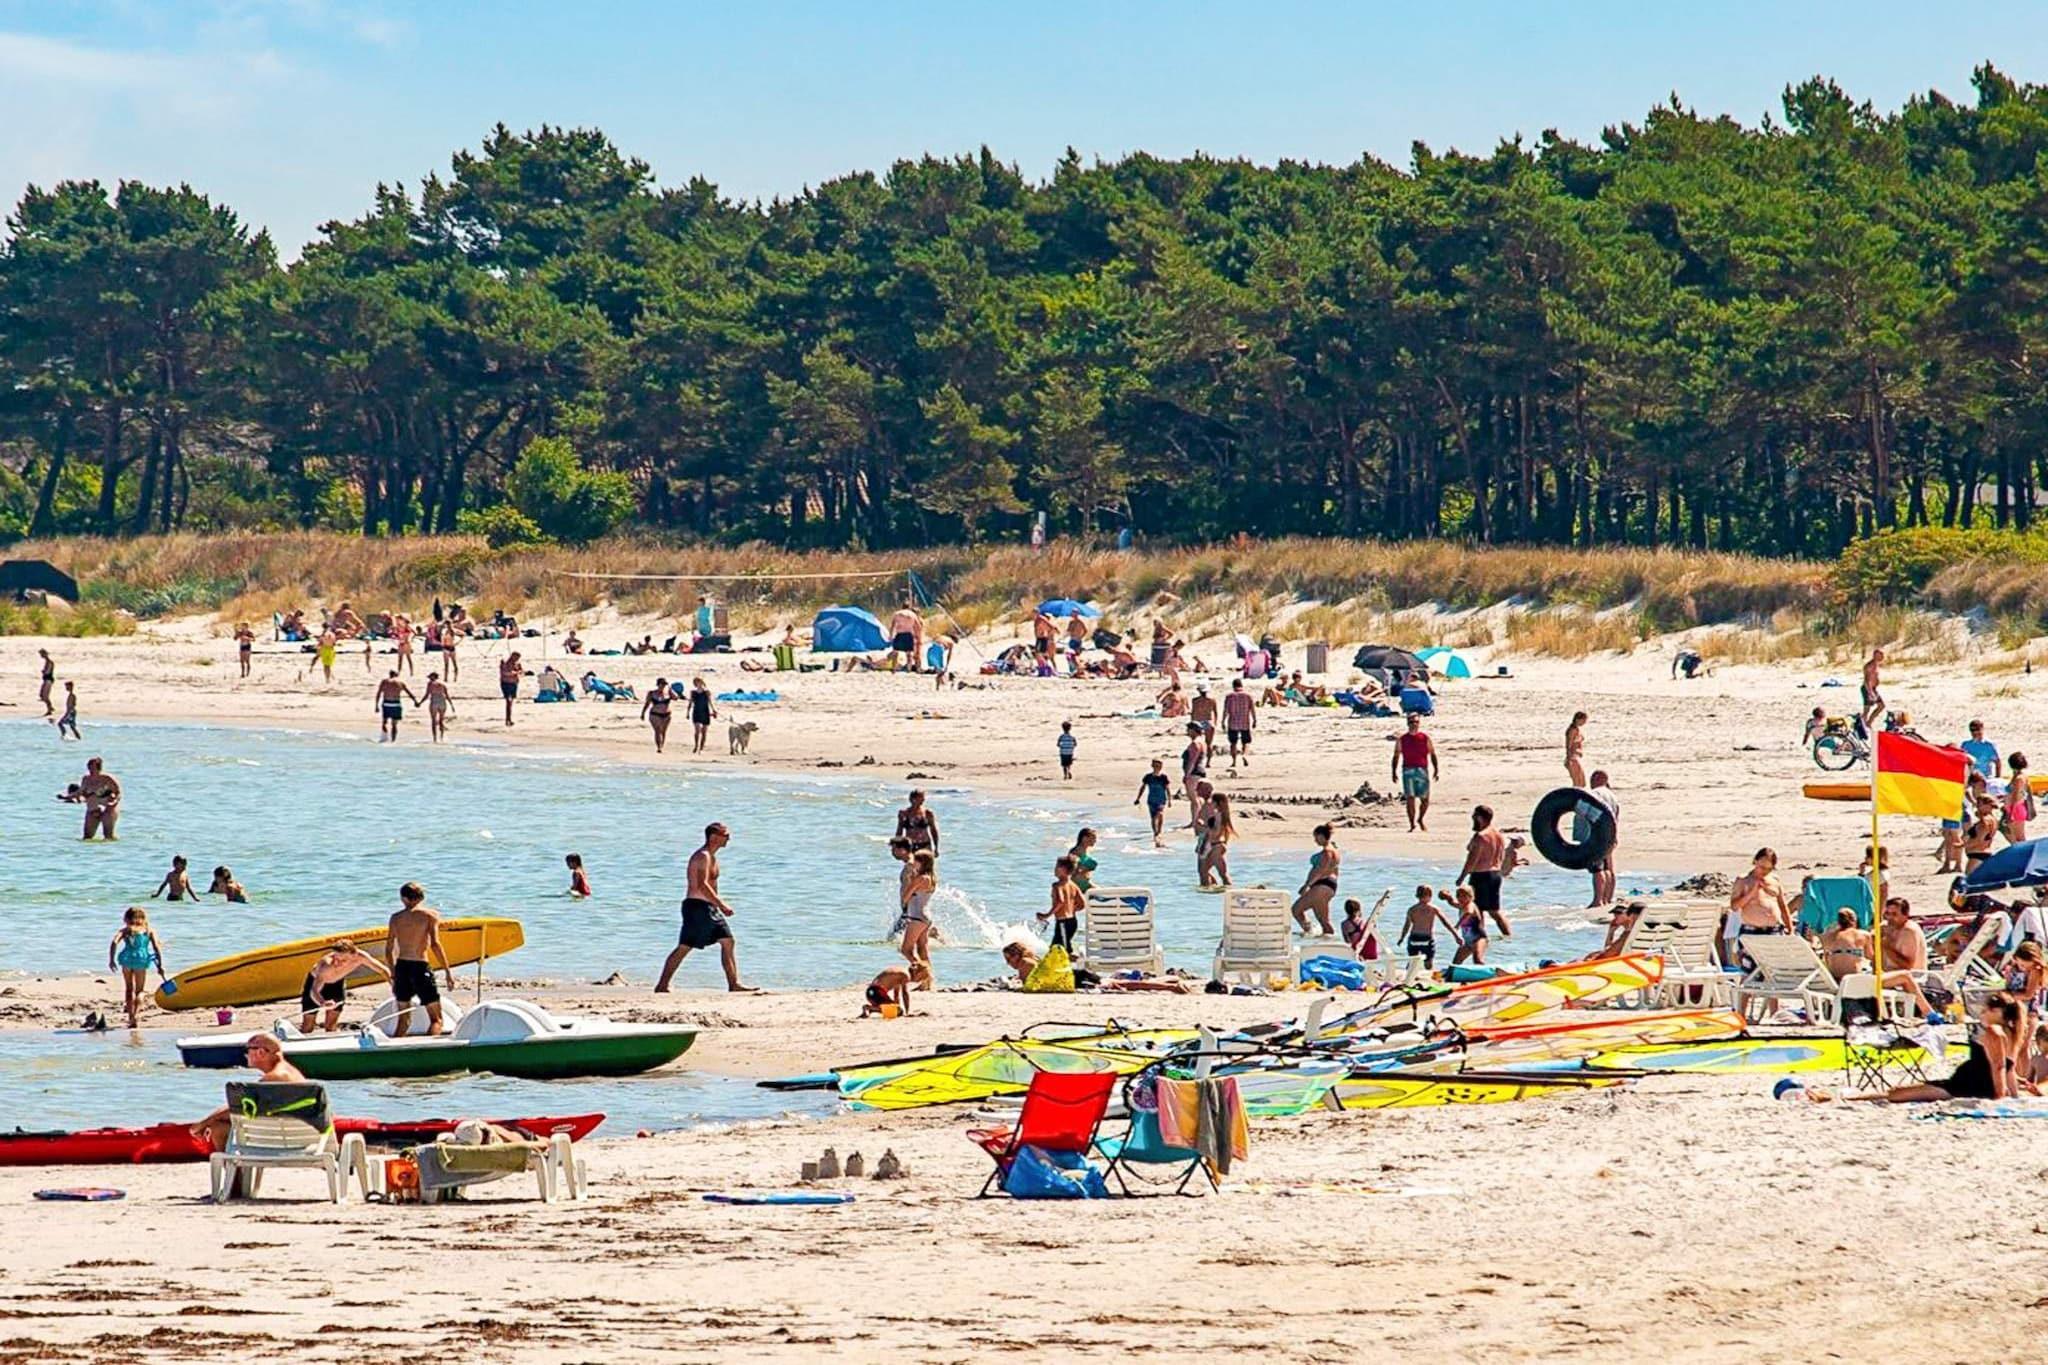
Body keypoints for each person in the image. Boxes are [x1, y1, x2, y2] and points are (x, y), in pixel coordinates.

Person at [1850, 992, 2021, 1103]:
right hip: (1972, 1084)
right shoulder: (2013, 1032)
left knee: (1895, 1094)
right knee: (1900, 1092)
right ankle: (1852, 1097)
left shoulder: (1994, 1031)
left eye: (1986, 1010)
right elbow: (2009, 1067)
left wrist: (2000, 1097)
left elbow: (1999, 1066)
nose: (1983, 1013)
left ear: (1997, 1011)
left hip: (1968, 1085)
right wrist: (2014, 1095)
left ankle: (1851, 1097)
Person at [655, 823, 758, 993]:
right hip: (698, 907)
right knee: (685, 946)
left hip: (709, 907)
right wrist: (722, 904)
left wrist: (716, 905)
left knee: (728, 941)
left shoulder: (712, 857)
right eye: (725, 835)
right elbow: (702, 885)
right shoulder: (702, 856)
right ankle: (662, 985)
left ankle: (734, 984)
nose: (729, 838)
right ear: (713, 837)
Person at [191, 1034, 306, 1150]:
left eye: (247, 1049)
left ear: (260, 1052)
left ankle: (234, 1166)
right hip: (299, 1136)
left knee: (218, 1128)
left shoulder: (275, 1077)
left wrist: (202, 1124)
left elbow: (238, 1108)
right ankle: (236, 1167)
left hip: (285, 1141)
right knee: (221, 1124)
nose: (245, 1055)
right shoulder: (289, 1071)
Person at [384, 881, 457, 1037]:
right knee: (436, 1019)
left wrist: (392, 973)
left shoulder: (395, 918)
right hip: (420, 967)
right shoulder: (430, 916)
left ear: (403, 898)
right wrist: (448, 972)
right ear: (421, 897)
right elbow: (435, 945)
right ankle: (431, 1052)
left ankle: (395, 1051)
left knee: (403, 1020)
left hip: (402, 968)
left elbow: (389, 949)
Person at [298, 939, 388, 1033]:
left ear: (353, 955)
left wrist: (395, 988)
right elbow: (314, 990)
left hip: (336, 985)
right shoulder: (326, 965)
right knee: (308, 1026)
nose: (337, 963)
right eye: (335, 958)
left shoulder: (360, 957)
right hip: (315, 985)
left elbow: (383, 970)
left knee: (331, 1026)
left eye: (343, 960)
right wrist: (322, 1002)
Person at [1455, 805, 1513, 942]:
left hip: (1480, 876)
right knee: (1495, 911)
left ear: (1480, 818)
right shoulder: (1498, 835)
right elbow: (1501, 856)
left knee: (1477, 911)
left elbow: (1472, 859)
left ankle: (1480, 940)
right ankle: (1508, 937)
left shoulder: (1480, 837)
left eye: (1474, 816)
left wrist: (1462, 877)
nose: (1472, 819)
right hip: (1495, 875)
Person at [1874, 896, 1935, 1018]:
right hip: (1889, 973)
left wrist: (1886, 946)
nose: (1890, 918)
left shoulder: (1909, 931)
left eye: (1894, 914)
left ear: (1905, 915)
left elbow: (1907, 965)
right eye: (1887, 914)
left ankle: (1928, 1013)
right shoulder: (1887, 928)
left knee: (1903, 976)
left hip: (1912, 976)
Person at [108, 907, 165, 1029]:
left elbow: (114, 942)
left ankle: (130, 1016)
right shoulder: (148, 931)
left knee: (129, 989)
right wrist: (160, 965)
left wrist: (111, 960)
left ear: (127, 918)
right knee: (140, 991)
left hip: (127, 959)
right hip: (141, 960)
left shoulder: (125, 930)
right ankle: (136, 1015)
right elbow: (157, 947)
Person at [1730, 848, 1794, 937]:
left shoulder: (1775, 880)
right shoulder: (1743, 880)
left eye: (1769, 869)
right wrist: (1751, 893)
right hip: (1752, 930)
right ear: (1755, 862)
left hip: (1774, 929)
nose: (1765, 871)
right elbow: (1734, 906)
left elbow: (1783, 906)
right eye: (1762, 867)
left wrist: (1790, 928)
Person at [1292, 823, 1340, 935]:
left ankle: (1310, 933)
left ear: (1322, 836)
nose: (1315, 840)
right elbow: (1334, 871)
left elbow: (1321, 869)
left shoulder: (1327, 851)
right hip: (1328, 886)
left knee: (1296, 910)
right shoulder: (1334, 850)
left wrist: (1307, 885)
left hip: (1322, 885)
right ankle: (1328, 943)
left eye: (1316, 837)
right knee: (1324, 922)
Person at [1393, 713, 1438, 833]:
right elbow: (1396, 755)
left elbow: (1432, 753)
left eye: (1416, 722)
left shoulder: (1425, 738)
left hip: (1422, 770)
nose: (1414, 724)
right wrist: (1394, 772)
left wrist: (1436, 770)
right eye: (1412, 722)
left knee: (1425, 799)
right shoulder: (1402, 739)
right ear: (1408, 723)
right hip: (1408, 770)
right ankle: (1412, 823)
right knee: (1410, 798)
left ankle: (1420, 819)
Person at [1584, 771, 1619, 908]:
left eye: (1592, 778)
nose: (1590, 781)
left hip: (1598, 835)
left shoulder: (1596, 794)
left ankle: (1598, 900)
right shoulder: (1612, 796)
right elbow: (1616, 816)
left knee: (1598, 867)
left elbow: (1590, 813)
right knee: (1608, 866)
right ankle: (1607, 898)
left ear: (1599, 779)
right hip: (1610, 833)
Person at [1399, 885, 1457, 967]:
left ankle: (1408, 976)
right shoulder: (1433, 908)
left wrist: (1402, 938)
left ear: (1417, 896)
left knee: (1412, 961)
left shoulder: (1412, 909)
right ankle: (1428, 975)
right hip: (1426, 938)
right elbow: (1445, 922)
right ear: (1430, 896)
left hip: (1414, 938)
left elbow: (1407, 926)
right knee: (1428, 962)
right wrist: (1456, 935)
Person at [1038, 854, 1085, 954]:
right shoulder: (1073, 885)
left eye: (1056, 867)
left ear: (1063, 869)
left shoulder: (1057, 886)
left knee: (1063, 951)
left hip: (1063, 923)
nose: (1054, 869)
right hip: (1072, 921)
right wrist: (1071, 910)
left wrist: (1047, 915)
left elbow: (1060, 901)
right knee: (1056, 949)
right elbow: (1082, 904)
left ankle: (1081, 964)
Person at [900, 848, 936, 978]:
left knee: (905, 950)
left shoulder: (920, 878)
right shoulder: (931, 878)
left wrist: (909, 878)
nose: (912, 862)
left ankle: (925, 975)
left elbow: (905, 897)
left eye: (915, 860)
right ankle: (927, 980)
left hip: (916, 918)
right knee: (922, 949)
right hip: (925, 917)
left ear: (922, 863)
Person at [1819, 908, 1872, 981]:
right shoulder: (1863, 935)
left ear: (1838, 921)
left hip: (1834, 978)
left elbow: (1827, 959)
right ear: (1854, 920)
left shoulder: (1827, 937)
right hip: (1853, 978)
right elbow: (1870, 956)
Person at [1198, 793, 1236, 888]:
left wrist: (1203, 827)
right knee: (1218, 873)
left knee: (1205, 873)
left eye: (1212, 801)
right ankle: (1219, 888)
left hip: (1214, 845)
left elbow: (1215, 832)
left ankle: (1209, 891)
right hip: (1217, 845)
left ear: (1216, 802)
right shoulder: (1223, 814)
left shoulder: (1218, 815)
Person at [374, 670, 421, 742]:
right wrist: (415, 701)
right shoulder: (400, 683)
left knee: (384, 722)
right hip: (396, 704)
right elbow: (409, 693)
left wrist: (376, 705)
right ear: (397, 675)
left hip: (387, 703)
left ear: (389, 674)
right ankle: (393, 741)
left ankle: (384, 739)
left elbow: (379, 693)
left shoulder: (384, 681)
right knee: (394, 724)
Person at [1135, 759, 1173, 847]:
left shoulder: (1163, 777)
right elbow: (1142, 788)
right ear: (1152, 766)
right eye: (1155, 765)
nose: (1157, 767)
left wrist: (1170, 800)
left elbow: (1167, 789)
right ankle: (1155, 832)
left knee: (1160, 813)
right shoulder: (1148, 777)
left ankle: (1159, 831)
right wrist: (1138, 798)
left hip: (1161, 799)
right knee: (1153, 817)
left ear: (1161, 767)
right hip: (1151, 800)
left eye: (1158, 766)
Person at [79, 757, 119, 840]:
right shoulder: (86, 779)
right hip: (93, 808)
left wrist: (113, 802)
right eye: (89, 767)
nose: (90, 769)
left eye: (92, 767)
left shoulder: (107, 778)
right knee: (87, 837)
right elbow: (81, 792)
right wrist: (67, 797)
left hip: (108, 808)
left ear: (98, 767)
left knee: (108, 837)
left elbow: (118, 793)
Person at [1222, 678, 1257, 770]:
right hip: (1245, 722)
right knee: (1246, 742)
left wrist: (1223, 721)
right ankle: (1245, 755)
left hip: (1232, 722)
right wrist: (1254, 720)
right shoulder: (1248, 696)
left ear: (1233, 686)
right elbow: (1252, 709)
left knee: (1233, 743)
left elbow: (1226, 710)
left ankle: (1234, 762)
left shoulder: (1229, 696)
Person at [895, 790, 940, 860]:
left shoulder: (927, 813)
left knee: (927, 868)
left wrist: (936, 847)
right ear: (913, 799)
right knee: (911, 868)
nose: (923, 800)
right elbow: (899, 831)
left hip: (925, 845)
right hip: (910, 846)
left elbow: (933, 831)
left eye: (923, 798)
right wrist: (897, 847)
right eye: (921, 797)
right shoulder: (904, 814)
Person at [1180, 724, 1209, 827]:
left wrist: (1187, 774)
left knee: (1193, 798)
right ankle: (1198, 819)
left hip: (1194, 772)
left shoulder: (1195, 743)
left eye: (1189, 729)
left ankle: (1195, 821)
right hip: (1199, 771)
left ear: (1193, 730)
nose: (1187, 731)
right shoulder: (1202, 742)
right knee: (1197, 797)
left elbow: (1192, 760)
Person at [2004, 752, 2035, 843]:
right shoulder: (2018, 776)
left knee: (2019, 837)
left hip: (2016, 809)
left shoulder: (2019, 779)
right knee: (2013, 835)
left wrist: (2011, 814)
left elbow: (2016, 796)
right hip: (2015, 808)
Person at [889, 599, 925, 672]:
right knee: (909, 653)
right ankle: (909, 668)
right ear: (909, 607)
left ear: (902, 607)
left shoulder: (897, 614)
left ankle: (894, 668)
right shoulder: (912, 614)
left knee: (895, 652)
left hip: (899, 634)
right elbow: (918, 626)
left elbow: (892, 625)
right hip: (908, 634)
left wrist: (891, 635)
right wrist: (918, 637)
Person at [642, 676, 673, 753]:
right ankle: (659, 747)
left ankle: (662, 745)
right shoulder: (652, 693)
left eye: (664, 685)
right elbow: (647, 704)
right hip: (655, 714)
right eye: (662, 684)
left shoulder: (668, 693)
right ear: (658, 684)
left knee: (663, 731)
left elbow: (676, 698)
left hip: (666, 714)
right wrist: (643, 713)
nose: (663, 686)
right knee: (658, 730)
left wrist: (671, 691)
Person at [422, 671, 454, 741]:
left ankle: (435, 738)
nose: (429, 679)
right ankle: (442, 738)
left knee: (433, 720)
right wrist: (451, 705)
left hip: (434, 701)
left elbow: (427, 695)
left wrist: (420, 702)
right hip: (442, 701)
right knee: (441, 720)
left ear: (433, 677)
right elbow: (447, 695)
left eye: (430, 677)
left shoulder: (430, 684)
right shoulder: (443, 684)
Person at [1859, 647, 1885, 731]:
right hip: (1868, 689)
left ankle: (1869, 722)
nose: (1882, 657)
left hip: (1873, 689)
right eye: (1880, 655)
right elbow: (1867, 680)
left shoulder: (1876, 665)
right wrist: (1870, 693)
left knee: (1881, 706)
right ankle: (1862, 725)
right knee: (1866, 709)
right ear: (1875, 655)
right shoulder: (1870, 666)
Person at [1067, 828, 1099, 894]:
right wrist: (1084, 869)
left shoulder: (1087, 851)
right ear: (1084, 838)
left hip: (1087, 883)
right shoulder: (1075, 851)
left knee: (1104, 896)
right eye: (1093, 838)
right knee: (1102, 895)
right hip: (1078, 884)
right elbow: (1070, 870)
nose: (1095, 841)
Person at [688, 676, 715, 754]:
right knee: (697, 730)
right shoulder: (693, 692)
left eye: (699, 682)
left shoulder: (707, 692)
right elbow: (690, 702)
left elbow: (710, 702)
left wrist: (714, 710)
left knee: (704, 732)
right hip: (696, 712)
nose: (698, 684)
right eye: (696, 682)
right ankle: (696, 745)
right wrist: (688, 712)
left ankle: (701, 748)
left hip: (705, 712)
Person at [498, 651, 523, 726]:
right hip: (506, 683)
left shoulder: (517, 664)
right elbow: (505, 673)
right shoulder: (505, 663)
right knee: (509, 701)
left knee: (511, 702)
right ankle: (508, 719)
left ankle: (508, 718)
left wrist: (521, 672)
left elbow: (521, 671)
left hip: (514, 684)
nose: (517, 659)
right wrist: (515, 673)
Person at [1565, 711, 1588, 787]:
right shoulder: (1572, 730)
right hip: (1572, 758)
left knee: (1582, 782)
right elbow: (1568, 745)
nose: (1585, 722)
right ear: (1578, 719)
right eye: (1584, 720)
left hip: (1576, 757)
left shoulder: (1577, 730)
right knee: (1578, 783)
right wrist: (1568, 759)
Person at [37, 647, 54, 716]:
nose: (41, 656)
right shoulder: (47, 661)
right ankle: (50, 707)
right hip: (46, 680)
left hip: (48, 680)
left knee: (45, 696)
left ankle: (49, 709)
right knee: (41, 695)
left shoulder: (49, 662)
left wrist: (43, 671)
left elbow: (47, 672)